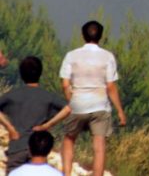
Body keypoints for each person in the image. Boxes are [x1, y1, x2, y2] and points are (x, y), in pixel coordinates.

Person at [58, 21, 126, 176]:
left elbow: (65, 84)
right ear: (101, 36)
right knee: (99, 145)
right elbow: (110, 87)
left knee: (69, 139)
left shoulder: (71, 55)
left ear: (83, 35)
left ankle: (67, 173)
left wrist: (71, 100)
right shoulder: (108, 57)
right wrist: (120, 111)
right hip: (100, 106)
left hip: (77, 104)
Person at [0, 57, 69, 171]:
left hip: (17, 146)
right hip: (39, 151)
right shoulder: (47, 96)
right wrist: (48, 125)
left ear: (21, 74)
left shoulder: (13, 95)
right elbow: (67, 109)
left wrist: (9, 127)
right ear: (40, 73)